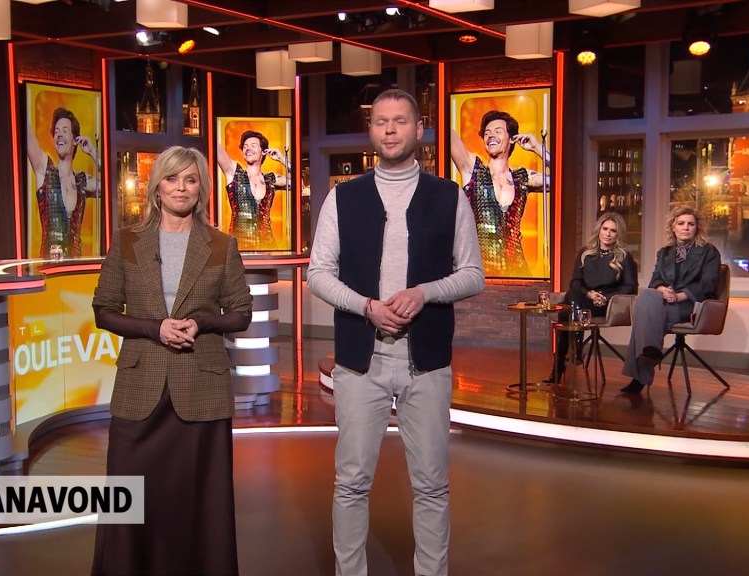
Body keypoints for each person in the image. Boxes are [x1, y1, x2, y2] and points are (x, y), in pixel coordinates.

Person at [308, 89, 485, 576]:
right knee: (350, 483)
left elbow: (473, 274)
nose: (389, 130)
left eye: (400, 121)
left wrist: (425, 292)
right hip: (359, 362)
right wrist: (365, 307)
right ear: (371, 130)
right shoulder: (343, 197)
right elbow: (318, 273)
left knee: (431, 485)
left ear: (419, 129)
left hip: (425, 362)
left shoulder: (448, 196)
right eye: (381, 121)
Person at [90, 146, 252, 575]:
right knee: (129, 496)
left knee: (199, 501)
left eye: (191, 180)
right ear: (156, 188)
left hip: (201, 388)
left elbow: (241, 313)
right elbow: (104, 310)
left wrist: (201, 322)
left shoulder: (221, 245)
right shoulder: (127, 241)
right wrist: (154, 328)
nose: (181, 188)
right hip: (140, 386)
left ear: (201, 189)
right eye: (172, 179)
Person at [621, 206, 720, 394]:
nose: (686, 228)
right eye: (681, 223)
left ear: (697, 227)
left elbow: (708, 284)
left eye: (690, 224)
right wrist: (663, 290)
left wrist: (679, 296)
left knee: (645, 316)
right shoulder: (665, 253)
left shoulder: (709, 252)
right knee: (647, 296)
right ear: (673, 227)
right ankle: (650, 353)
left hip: (691, 305)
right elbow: (655, 280)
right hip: (665, 301)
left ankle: (640, 375)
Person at [450, 110, 548, 277]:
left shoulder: (523, 178)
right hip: (480, 274)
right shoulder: (474, 171)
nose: (491, 136)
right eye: (487, 133)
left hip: (518, 274)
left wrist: (537, 148)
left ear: (511, 139)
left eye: (498, 131)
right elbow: (446, 131)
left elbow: (563, 179)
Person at [543, 212, 638, 383]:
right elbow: (575, 282)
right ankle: (575, 346)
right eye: (605, 229)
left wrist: (605, 297)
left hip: (605, 305)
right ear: (599, 230)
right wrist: (589, 293)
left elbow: (630, 286)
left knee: (567, 310)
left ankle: (561, 364)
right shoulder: (585, 253)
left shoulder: (624, 257)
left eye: (613, 231)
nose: (608, 234)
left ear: (618, 234)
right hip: (583, 299)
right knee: (572, 299)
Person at [26, 107, 99, 258]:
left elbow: (115, 187)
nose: (59, 135)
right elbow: (24, 128)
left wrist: (93, 152)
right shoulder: (45, 171)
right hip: (49, 267)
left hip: (74, 269)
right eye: (56, 131)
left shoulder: (82, 182)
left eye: (65, 131)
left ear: (75, 140)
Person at [216, 130, 289, 250]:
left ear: (263, 151)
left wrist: (282, 159)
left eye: (253, 145)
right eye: (245, 147)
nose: (248, 149)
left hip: (267, 249)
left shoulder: (271, 179)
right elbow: (214, 145)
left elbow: (300, 182)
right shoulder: (234, 173)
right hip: (239, 248)